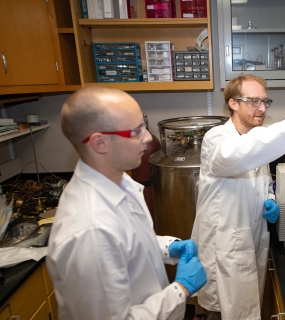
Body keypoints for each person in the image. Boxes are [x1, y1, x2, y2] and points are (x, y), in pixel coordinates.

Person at [47, 86, 207, 320]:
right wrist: (181, 289)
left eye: (143, 125)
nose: (148, 138)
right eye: (136, 131)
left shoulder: (120, 182)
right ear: (100, 143)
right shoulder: (89, 230)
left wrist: (166, 247)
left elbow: (125, 243)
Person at [191, 73, 285, 319]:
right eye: (254, 101)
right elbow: (236, 157)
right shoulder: (217, 139)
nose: (261, 108)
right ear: (233, 103)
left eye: (265, 102)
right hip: (225, 245)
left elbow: (260, 179)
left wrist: (269, 198)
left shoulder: (253, 138)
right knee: (221, 311)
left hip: (250, 240)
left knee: (244, 306)